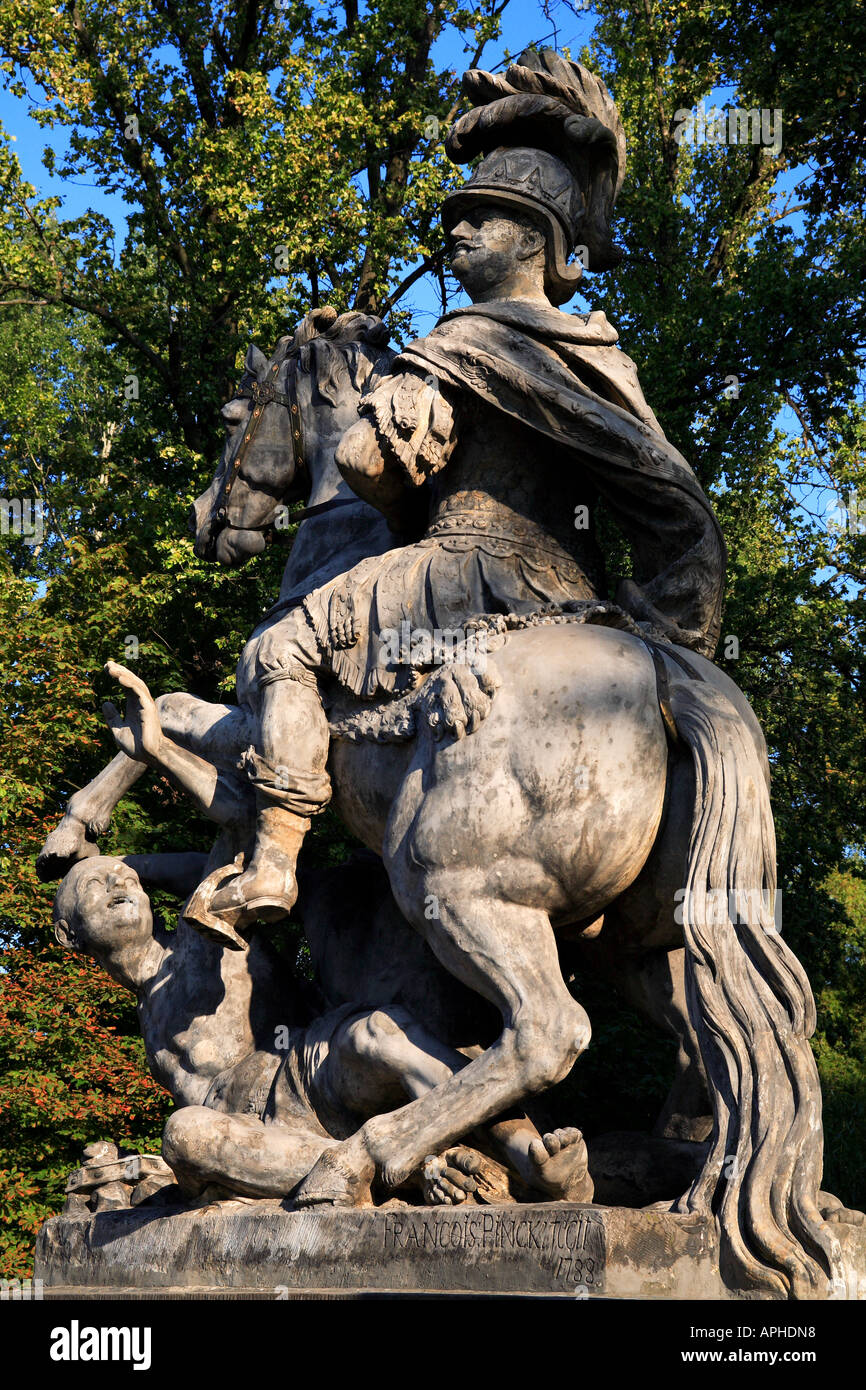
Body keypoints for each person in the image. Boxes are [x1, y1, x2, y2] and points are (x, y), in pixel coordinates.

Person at [52, 855, 594, 1204]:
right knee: (184, 1133)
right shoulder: (148, 1023)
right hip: (259, 1133)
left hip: (301, 1068)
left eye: (127, 878)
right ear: (68, 930)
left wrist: (143, 859)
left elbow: (244, 853)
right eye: (97, 883)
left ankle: (539, 1164)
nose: (120, 881)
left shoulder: (200, 931)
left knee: (379, 1033)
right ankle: (411, 1171)